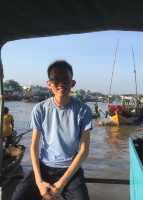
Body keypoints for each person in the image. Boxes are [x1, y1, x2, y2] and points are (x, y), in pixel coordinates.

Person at [12, 60, 92, 200]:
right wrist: (39, 182)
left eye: (65, 80)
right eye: (56, 80)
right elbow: (34, 147)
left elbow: (84, 151)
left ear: (72, 83)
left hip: (71, 170)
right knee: (18, 196)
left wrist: (61, 183)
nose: (61, 83)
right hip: (44, 167)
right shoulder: (40, 109)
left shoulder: (83, 110)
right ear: (49, 84)